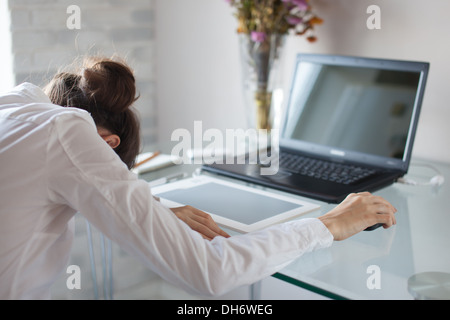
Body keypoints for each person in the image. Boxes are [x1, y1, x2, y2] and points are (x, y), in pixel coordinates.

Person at [0, 56, 397, 299]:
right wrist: (327, 224)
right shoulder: (71, 133)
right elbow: (210, 273)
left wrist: (149, 207)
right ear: (108, 144)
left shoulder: (16, 103)